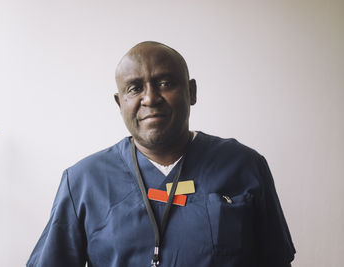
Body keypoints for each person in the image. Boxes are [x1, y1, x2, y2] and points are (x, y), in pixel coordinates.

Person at [27, 41, 295, 267]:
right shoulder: (83, 181)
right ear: (120, 103)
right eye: (134, 88)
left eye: (165, 83)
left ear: (191, 92)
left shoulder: (245, 166)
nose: (150, 98)